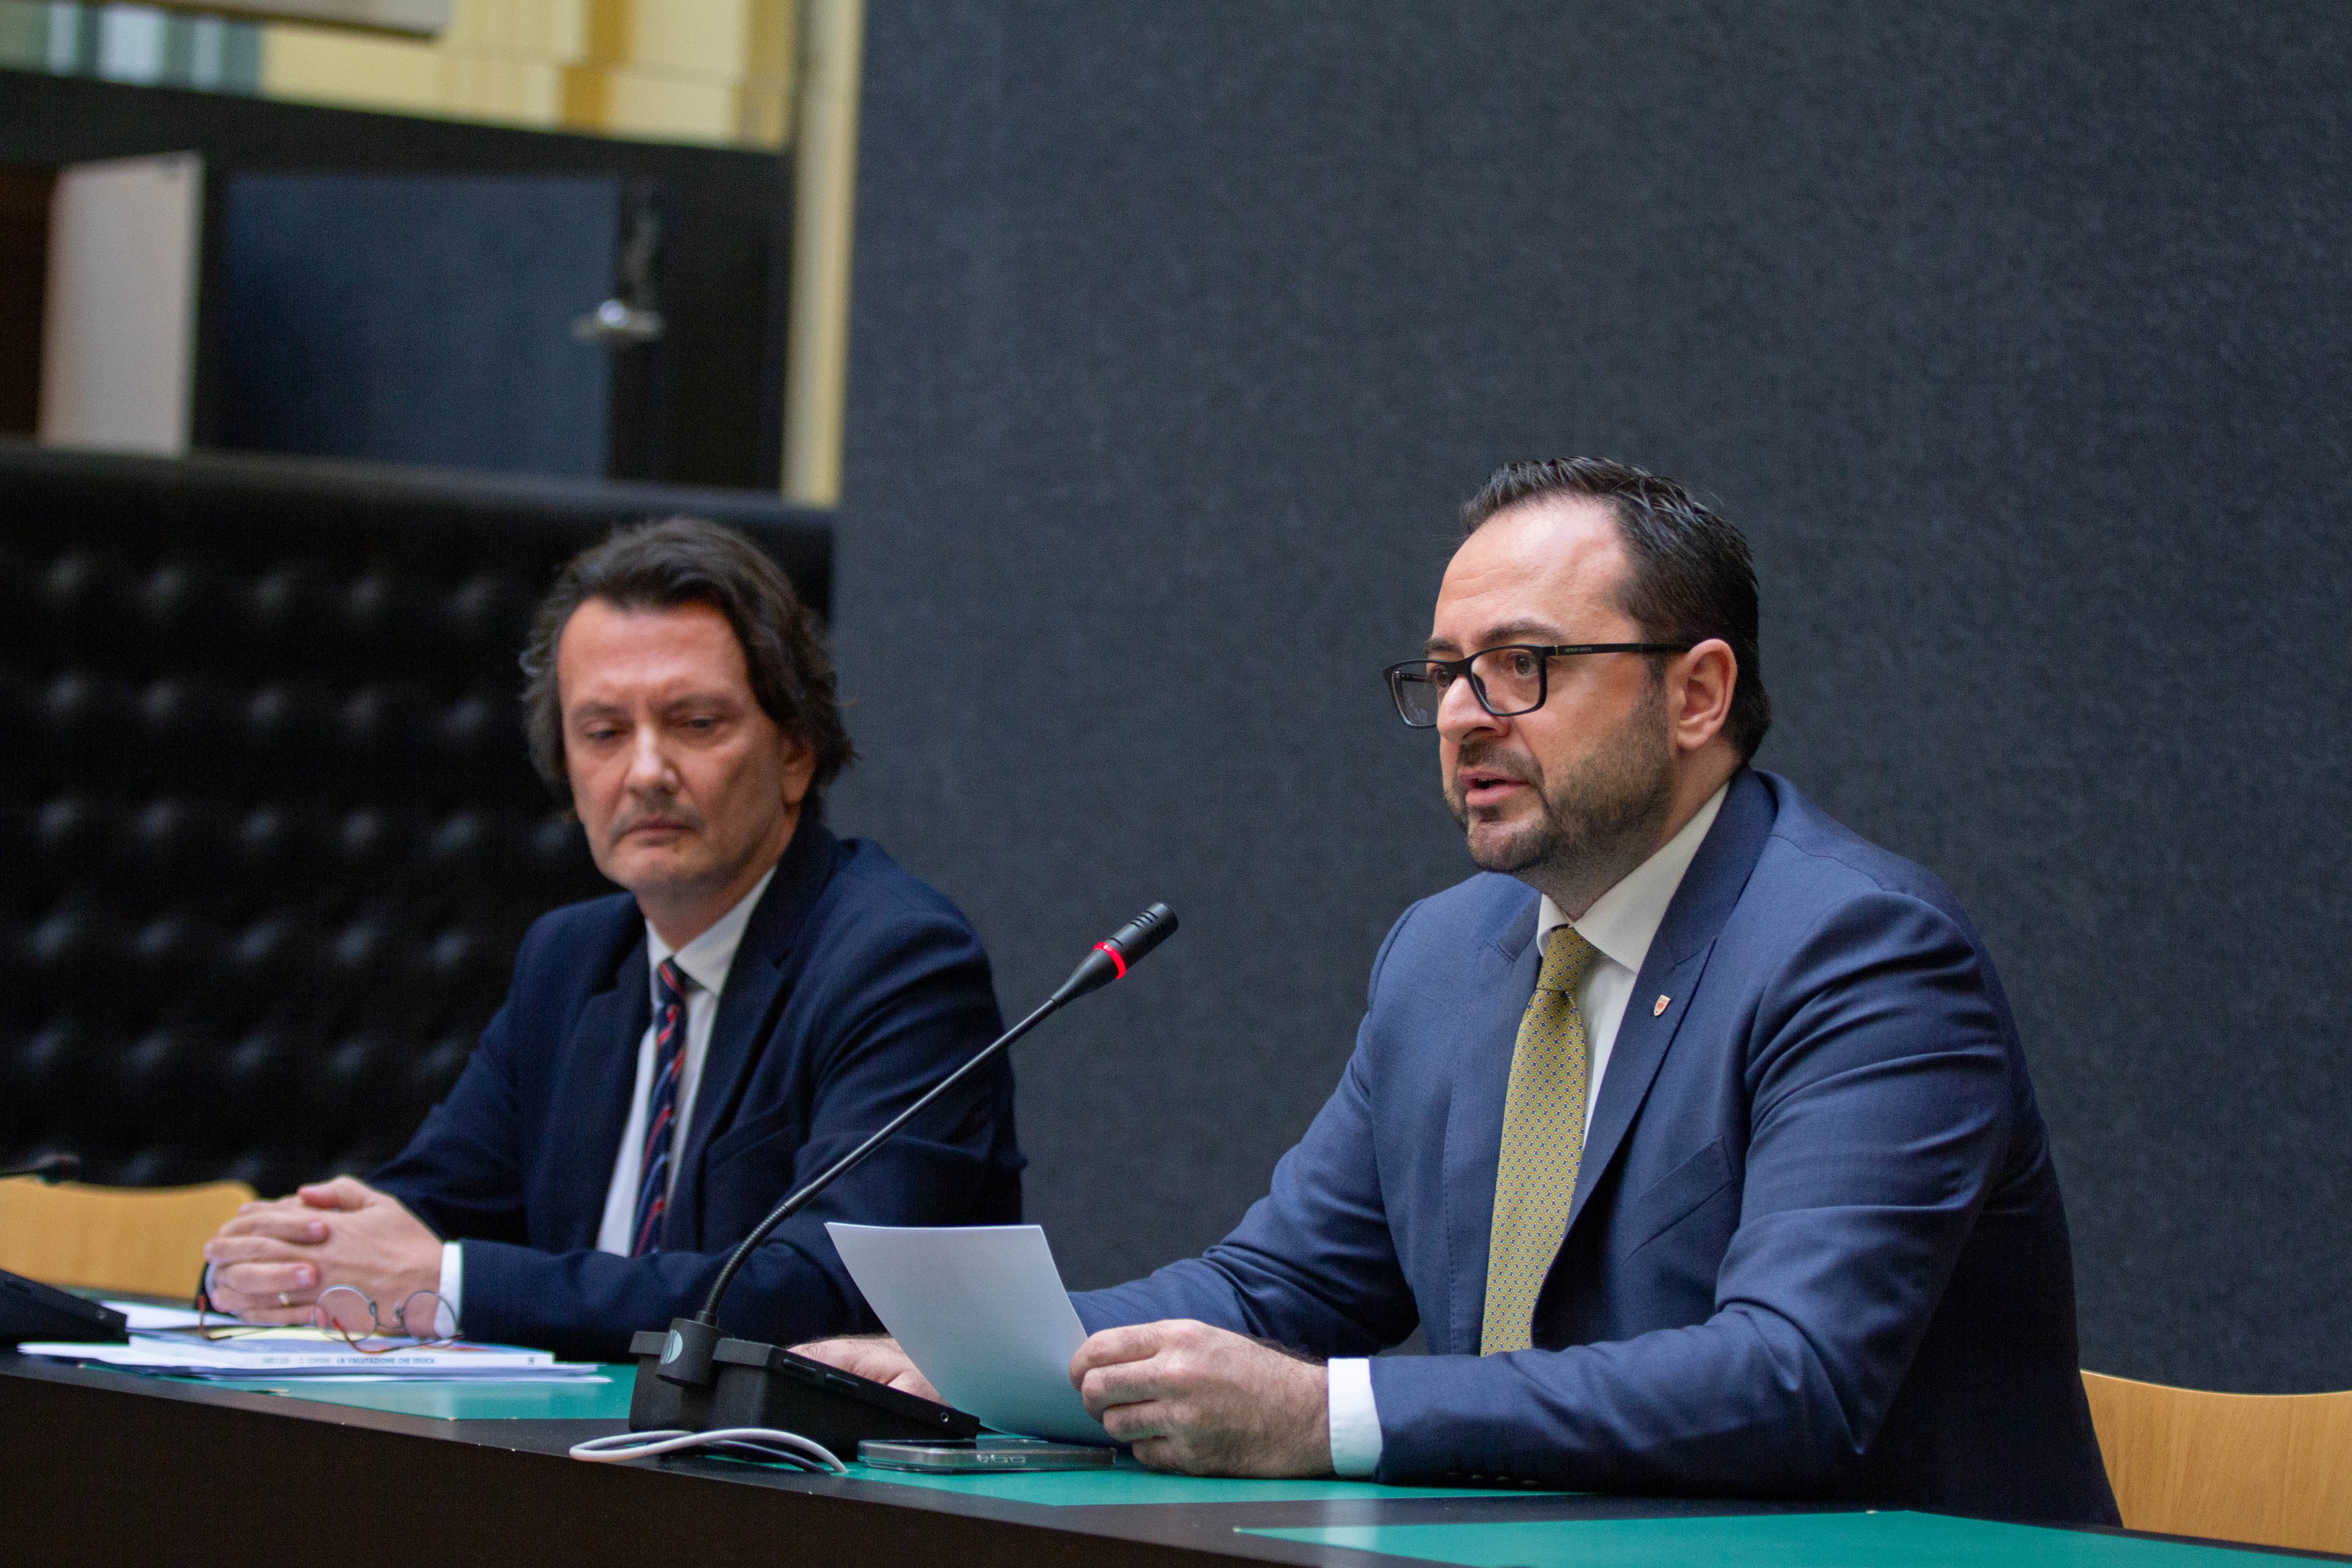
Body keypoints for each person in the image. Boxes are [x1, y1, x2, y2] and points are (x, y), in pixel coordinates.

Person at [800, 459, 2118, 1523]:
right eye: (1442, 673)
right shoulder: (1446, 954)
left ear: (1697, 693)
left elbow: (1789, 1376)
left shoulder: (1861, 953)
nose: (1460, 715)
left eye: (1522, 665)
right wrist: (992, 1371)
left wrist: (1328, 1417)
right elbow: (1276, 1290)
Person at [201, 517, 1023, 1359]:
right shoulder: (571, 960)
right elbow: (425, 1209)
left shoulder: (897, 961)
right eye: (603, 731)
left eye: (696, 722)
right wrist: (285, 1263)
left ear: (796, 753)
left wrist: (447, 1286)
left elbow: (824, 1290)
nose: (644, 771)